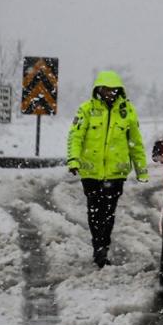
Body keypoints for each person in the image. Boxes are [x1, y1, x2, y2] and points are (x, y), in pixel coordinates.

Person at [66, 70, 148, 268]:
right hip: (91, 173)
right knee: (95, 210)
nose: (109, 93)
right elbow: (75, 136)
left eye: (113, 90)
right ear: (99, 90)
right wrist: (73, 160)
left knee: (108, 212)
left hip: (115, 173)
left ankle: (103, 246)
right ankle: (98, 246)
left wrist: (141, 170)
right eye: (106, 89)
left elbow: (135, 143)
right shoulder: (86, 110)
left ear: (119, 90)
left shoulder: (127, 111)